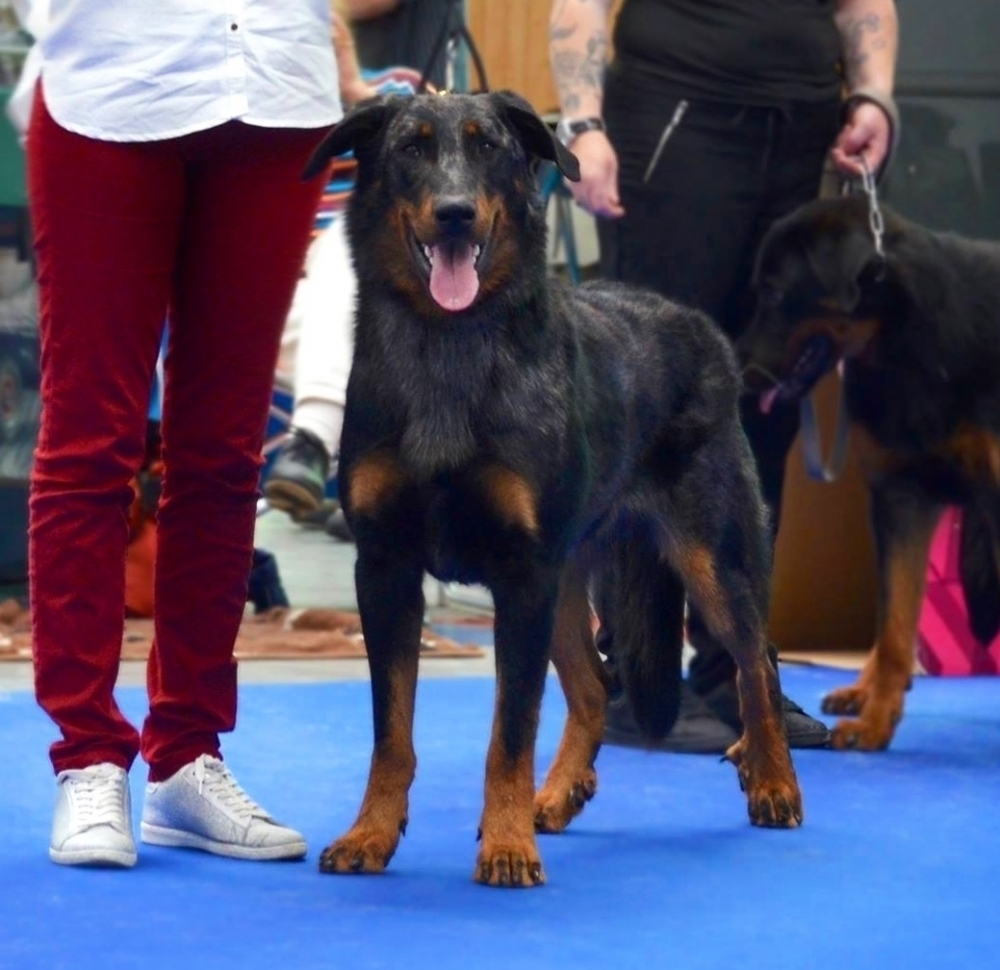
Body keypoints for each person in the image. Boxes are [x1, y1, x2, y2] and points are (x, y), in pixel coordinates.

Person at [26, 1, 344, 868]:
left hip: (278, 92)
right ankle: (88, 756)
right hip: (113, 83)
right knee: (91, 441)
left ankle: (187, 753)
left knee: (226, 453)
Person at [548, 0, 899, 752]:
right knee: (651, 399)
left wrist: (874, 95)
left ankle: (734, 670)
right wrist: (583, 122)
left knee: (766, 400)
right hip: (677, 122)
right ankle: (634, 676)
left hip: (802, 136)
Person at [263, 0, 460, 541]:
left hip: (389, 287)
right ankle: (378, 485)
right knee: (323, 302)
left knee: (350, 240)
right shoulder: (261, 111)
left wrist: (351, 87)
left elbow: (439, 164)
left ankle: (312, 441)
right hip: (288, 296)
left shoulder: (398, 89)